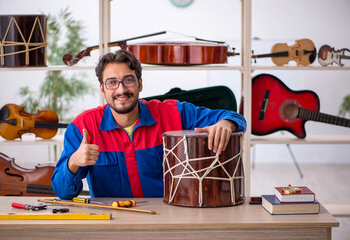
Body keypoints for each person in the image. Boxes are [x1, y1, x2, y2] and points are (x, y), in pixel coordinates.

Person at [51, 49, 246, 199]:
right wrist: (74, 162)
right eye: (111, 83)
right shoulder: (83, 127)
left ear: (140, 84)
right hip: (112, 225)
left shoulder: (172, 113)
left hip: (168, 218)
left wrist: (227, 125)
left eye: (128, 80)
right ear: (102, 89)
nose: (121, 89)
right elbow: (62, 192)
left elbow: (234, 117)